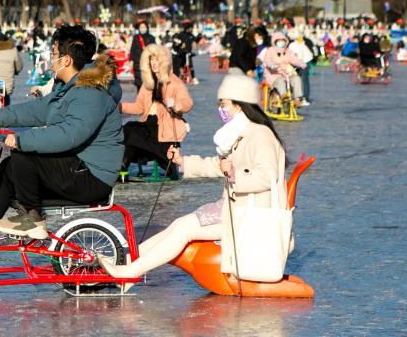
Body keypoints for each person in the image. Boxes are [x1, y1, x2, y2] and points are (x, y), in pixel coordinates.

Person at [98, 74, 288, 287]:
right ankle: (125, 260)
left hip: (250, 215)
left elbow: (267, 175)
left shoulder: (260, 135)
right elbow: (219, 166)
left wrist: (234, 172)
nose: (221, 110)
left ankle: (129, 272)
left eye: (224, 104)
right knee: (179, 225)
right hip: (234, 208)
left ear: (240, 105)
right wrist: (183, 162)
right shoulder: (243, 132)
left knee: (183, 230)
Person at [0, 24, 123, 241]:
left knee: (24, 155)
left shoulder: (90, 93)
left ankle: (33, 219)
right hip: (76, 167)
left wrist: (20, 140)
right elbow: (36, 110)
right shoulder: (68, 87)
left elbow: (68, 135)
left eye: (53, 54)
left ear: (66, 60)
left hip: (92, 177)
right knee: (10, 167)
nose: (50, 58)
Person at [120, 44, 192, 179]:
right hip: (148, 125)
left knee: (131, 132)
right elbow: (138, 107)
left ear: (165, 61)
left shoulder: (175, 82)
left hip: (165, 128)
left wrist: (177, 105)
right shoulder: (148, 83)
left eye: (157, 59)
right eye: (151, 60)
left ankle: (166, 163)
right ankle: (122, 167)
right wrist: (118, 107)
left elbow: (187, 103)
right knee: (127, 130)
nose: (153, 63)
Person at [260, 32, 304, 103]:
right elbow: (267, 60)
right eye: (279, 41)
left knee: (296, 79)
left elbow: (294, 59)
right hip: (274, 74)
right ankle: (283, 96)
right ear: (275, 41)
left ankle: (297, 98)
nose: (281, 42)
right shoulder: (270, 50)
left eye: (283, 40)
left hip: (287, 74)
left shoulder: (288, 51)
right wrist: (272, 65)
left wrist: (301, 64)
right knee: (280, 81)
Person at [129, 21, 156, 88]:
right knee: (139, 82)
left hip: (148, 62)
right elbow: (132, 49)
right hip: (138, 62)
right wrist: (131, 61)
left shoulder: (151, 38)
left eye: (144, 27)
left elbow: (155, 50)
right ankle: (140, 96)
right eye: (141, 27)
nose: (142, 28)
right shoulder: (136, 37)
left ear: (147, 28)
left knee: (148, 81)